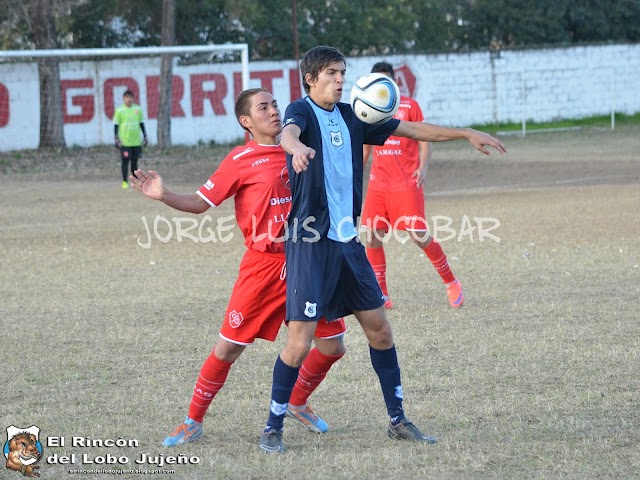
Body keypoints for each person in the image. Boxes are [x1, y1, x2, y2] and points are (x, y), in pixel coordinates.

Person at [259, 46, 507, 453]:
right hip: (310, 246)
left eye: (342, 72)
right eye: (331, 73)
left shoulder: (355, 116)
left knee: (380, 331)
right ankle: (273, 426)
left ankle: (397, 419)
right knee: (300, 343)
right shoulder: (300, 111)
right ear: (311, 79)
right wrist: (296, 148)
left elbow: (411, 129)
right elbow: (288, 133)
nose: (340, 79)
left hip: (348, 246)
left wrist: (464, 133)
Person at [130, 88, 347, 447]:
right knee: (228, 348)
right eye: (264, 107)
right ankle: (192, 421)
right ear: (246, 121)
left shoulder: (302, 145)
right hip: (263, 266)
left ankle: (297, 401)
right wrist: (164, 195)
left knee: (333, 345)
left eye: (275, 104)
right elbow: (202, 202)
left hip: (308, 260)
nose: (274, 111)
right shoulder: (241, 159)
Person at [362, 61, 462, 309]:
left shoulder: (409, 105)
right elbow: (365, 145)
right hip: (378, 183)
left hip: (406, 182)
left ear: (394, 82)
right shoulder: (369, 110)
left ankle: (451, 281)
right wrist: (355, 171)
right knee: (373, 237)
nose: (381, 86)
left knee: (419, 235)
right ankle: (381, 295)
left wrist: (423, 167)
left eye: (385, 81)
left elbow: (425, 139)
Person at [115, 90, 148, 189]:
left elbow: (141, 124)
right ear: (124, 99)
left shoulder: (138, 109)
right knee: (125, 162)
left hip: (136, 141)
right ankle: (124, 181)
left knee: (135, 162)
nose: (129, 99)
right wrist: (117, 139)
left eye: (131, 97)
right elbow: (116, 125)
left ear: (133, 98)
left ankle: (135, 182)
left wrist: (145, 136)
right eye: (127, 97)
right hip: (125, 142)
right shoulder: (120, 110)